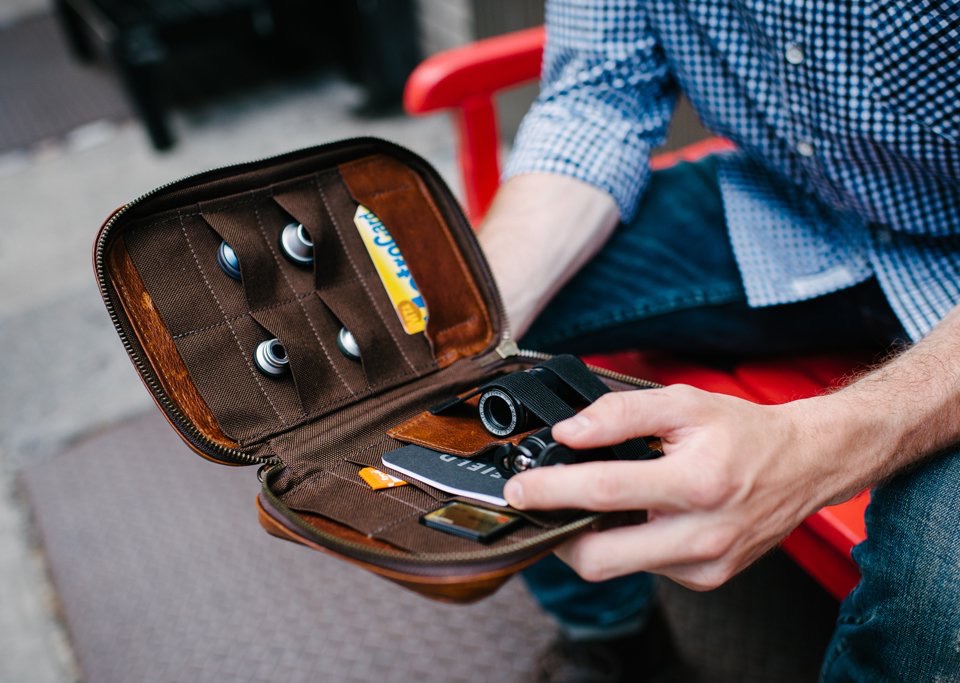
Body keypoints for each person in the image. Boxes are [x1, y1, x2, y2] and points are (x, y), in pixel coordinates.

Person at [476, 1, 960, 681]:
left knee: (942, 588)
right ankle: (614, 639)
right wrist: (469, 328)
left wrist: (814, 447)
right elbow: (597, 99)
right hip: (795, 204)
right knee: (487, 354)